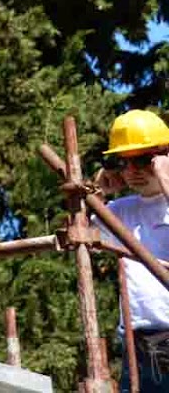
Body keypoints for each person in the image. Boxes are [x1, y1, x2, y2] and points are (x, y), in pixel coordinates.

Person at [95, 109, 169, 391]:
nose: (131, 171)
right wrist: (95, 192)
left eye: (142, 160)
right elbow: (76, 235)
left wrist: (165, 176)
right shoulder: (120, 211)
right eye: (122, 163)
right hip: (136, 342)